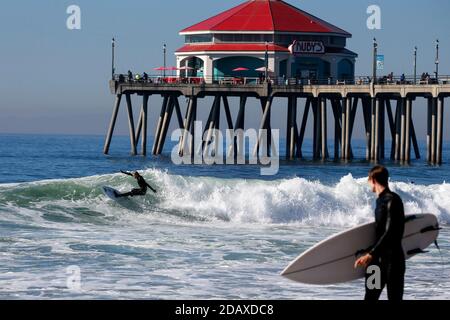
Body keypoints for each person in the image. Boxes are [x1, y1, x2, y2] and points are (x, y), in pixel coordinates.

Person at [354, 165, 405, 300]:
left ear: (374, 180)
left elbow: (390, 232)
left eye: (368, 179)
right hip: (376, 264)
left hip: (393, 263)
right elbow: (380, 232)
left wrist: (370, 254)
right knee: (370, 297)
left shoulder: (392, 200)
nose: (368, 183)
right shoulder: (379, 201)